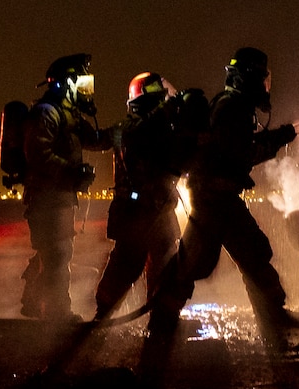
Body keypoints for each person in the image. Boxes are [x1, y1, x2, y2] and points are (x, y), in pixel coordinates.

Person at [143, 47, 299, 357]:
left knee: (254, 253)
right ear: (248, 77)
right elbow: (241, 153)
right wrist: (275, 141)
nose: (264, 84)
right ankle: (161, 327)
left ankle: (274, 319)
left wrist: (272, 139)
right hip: (213, 200)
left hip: (222, 198)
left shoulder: (235, 106)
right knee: (191, 266)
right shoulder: (231, 109)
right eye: (260, 77)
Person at [90, 72, 190, 322]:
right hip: (136, 213)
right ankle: (101, 319)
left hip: (157, 213)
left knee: (165, 267)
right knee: (125, 266)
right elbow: (141, 132)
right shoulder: (130, 130)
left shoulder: (159, 130)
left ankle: (163, 318)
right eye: (158, 100)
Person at [19, 54, 104, 321]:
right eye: (81, 82)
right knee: (57, 255)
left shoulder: (70, 115)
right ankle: (57, 316)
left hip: (60, 198)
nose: (86, 89)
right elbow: (38, 153)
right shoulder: (46, 112)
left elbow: (95, 140)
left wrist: (120, 132)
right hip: (46, 199)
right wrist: (71, 172)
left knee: (53, 252)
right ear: (67, 83)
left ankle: (33, 303)